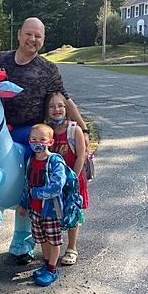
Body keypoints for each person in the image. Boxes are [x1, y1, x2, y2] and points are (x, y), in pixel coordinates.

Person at [0, 18, 88, 146]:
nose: (32, 39)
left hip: (30, 134)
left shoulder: (48, 69)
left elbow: (65, 99)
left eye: (38, 36)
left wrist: (84, 130)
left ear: (43, 39)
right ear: (19, 34)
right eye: (28, 34)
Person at [18, 124, 68, 286]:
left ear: (51, 142)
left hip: (51, 211)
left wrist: (37, 193)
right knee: (42, 239)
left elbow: (57, 186)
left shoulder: (55, 161)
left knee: (53, 241)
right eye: (33, 139)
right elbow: (27, 184)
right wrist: (24, 204)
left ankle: (52, 270)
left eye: (42, 139)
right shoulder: (30, 161)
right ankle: (47, 265)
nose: (37, 143)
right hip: (35, 210)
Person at [46, 91, 89, 266]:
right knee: (54, 213)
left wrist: (72, 178)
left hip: (73, 179)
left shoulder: (74, 129)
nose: (56, 109)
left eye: (60, 106)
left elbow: (81, 155)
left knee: (72, 212)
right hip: (54, 182)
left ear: (66, 108)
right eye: (52, 106)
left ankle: (72, 248)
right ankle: (53, 247)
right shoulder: (47, 130)